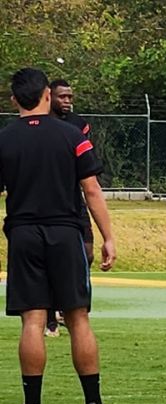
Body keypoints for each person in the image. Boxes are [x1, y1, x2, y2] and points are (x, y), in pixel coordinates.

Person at [1, 68, 116, 404]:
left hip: (23, 234)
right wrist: (109, 236)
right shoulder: (72, 135)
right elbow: (92, 190)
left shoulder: (3, 139)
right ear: (48, 96)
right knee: (78, 318)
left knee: (33, 321)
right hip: (67, 234)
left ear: (14, 100)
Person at [46, 78, 94, 337]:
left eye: (70, 97)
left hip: (75, 200)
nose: (67, 101)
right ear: (49, 97)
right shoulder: (41, 123)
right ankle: (51, 316)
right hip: (49, 204)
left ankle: (66, 309)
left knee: (87, 254)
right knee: (52, 261)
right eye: (62, 97)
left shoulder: (78, 125)